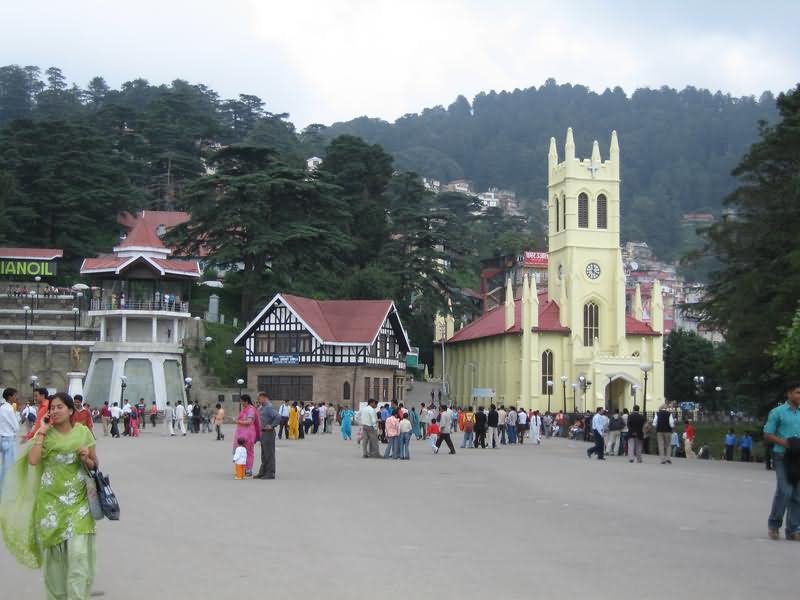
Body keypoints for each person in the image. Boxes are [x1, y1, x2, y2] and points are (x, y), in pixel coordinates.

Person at [0, 392, 98, 598]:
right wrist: (42, 431)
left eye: (59, 407)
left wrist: (85, 458)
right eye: (52, 407)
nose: (54, 411)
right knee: (55, 563)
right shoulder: (44, 434)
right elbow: (34, 461)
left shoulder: (83, 433)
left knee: (79, 555)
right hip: (51, 504)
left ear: (71, 410)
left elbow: (94, 464)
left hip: (78, 502)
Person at [763, 381, 800, 541]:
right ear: (789, 394)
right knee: (785, 491)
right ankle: (774, 524)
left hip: (798, 456)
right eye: (798, 392)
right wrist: (785, 442)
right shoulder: (777, 412)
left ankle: (793, 529)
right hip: (782, 456)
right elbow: (767, 434)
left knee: (798, 494)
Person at [233, 395, 261, 477]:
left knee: (248, 451)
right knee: (241, 451)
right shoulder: (245, 409)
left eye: (241, 401)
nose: (240, 403)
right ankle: (242, 468)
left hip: (248, 433)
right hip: (242, 433)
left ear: (246, 401)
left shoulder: (251, 409)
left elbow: (249, 421)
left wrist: (238, 421)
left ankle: (248, 469)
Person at [254, 392, 280, 480]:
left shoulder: (269, 407)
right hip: (263, 433)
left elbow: (278, 417)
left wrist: (272, 425)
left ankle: (270, 473)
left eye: (259, 398)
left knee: (269, 454)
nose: (258, 400)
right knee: (264, 454)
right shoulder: (263, 407)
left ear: (264, 397)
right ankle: (263, 472)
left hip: (268, 433)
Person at [0, 388, 20, 494]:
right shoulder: (8, 409)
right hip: (9, 439)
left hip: (2, 438)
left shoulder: (2, 408)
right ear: (10, 396)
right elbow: (16, 426)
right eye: (15, 395)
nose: (16, 397)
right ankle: (6, 490)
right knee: (9, 467)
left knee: (4, 465)